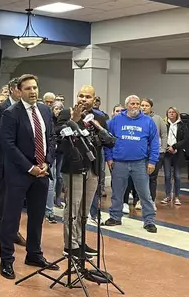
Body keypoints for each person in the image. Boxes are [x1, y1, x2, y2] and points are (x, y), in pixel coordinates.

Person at [0, 74, 58, 280]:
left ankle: (34, 253)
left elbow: (51, 137)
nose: (33, 92)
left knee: (37, 216)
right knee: (11, 219)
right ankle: (6, 259)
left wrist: (47, 162)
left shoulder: (44, 110)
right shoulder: (11, 113)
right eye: (28, 89)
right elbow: (8, 145)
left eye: (35, 87)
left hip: (42, 172)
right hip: (18, 174)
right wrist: (30, 167)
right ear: (19, 91)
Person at [56, 85, 114, 258]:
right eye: (80, 96)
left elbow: (109, 142)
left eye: (87, 97)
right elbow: (59, 137)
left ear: (94, 99)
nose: (83, 99)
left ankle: (80, 241)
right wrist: (73, 120)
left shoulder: (99, 118)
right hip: (73, 168)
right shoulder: (67, 114)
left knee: (84, 210)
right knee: (72, 209)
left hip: (93, 169)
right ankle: (70, 245)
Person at [104, 95, 158, 233]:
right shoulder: (115, 121)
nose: (135, 106)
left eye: (137, 104)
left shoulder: (148, 121)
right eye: (132, 103)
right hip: (119, 162)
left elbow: (154, 143)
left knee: (145, 193)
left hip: (140, 163)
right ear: (126, 105)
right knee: (117, 192)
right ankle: (115, 217)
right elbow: (107, 140)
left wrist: (152, 161)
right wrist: (109, 158)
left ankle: (149, 221)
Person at [0, 78, 26, 248]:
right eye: (22, 88)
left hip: (23, 161)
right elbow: (2, 136)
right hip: (6, 159)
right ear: (14, 89)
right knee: (3, 197)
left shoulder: (25, 108)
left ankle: (13, 231)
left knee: (17, 199)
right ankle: (0, 232)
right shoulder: (1, 108)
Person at [161, 107, 187, 205]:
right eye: (169, 112)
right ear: (167, 114)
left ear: (177, 114)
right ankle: (167, 196)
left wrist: (175, 146)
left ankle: (176, 197)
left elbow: (185, 139)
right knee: (167, 175)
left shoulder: (182, 125)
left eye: (173, 112)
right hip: (167, 153)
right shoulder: (164, 124)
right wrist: (168, 147)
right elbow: (161, 137)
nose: (171, 114)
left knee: (177, 176)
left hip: (178, 153)